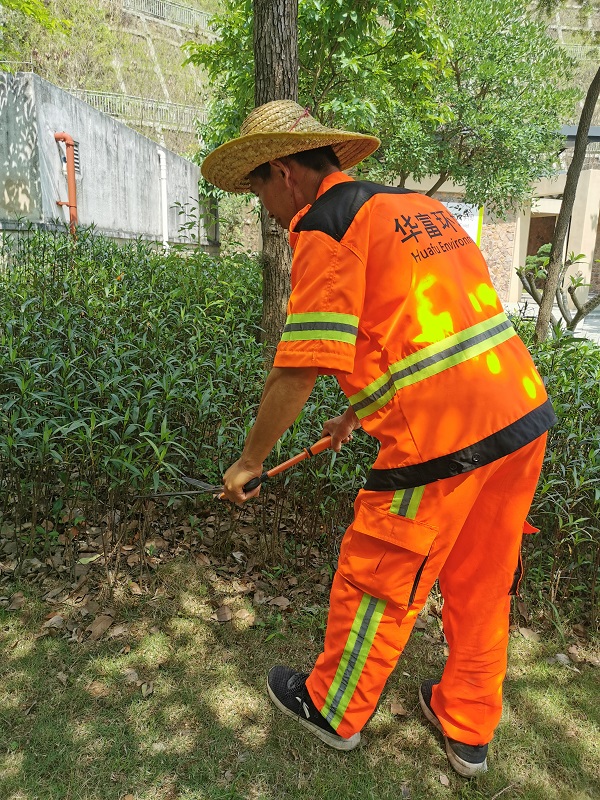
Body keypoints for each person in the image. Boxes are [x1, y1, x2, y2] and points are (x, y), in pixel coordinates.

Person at [201, 100, 556, 777]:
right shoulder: (411, 208)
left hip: (444, 442)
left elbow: (298, 368)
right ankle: (467, 725)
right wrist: (353, 416)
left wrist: (249, 461)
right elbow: (419, 330)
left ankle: (333, 708)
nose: (264, 209)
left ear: (284, 172)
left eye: (258, 190)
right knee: (482, 582)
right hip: (519, 414)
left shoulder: (327, 225)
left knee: (380, 575)